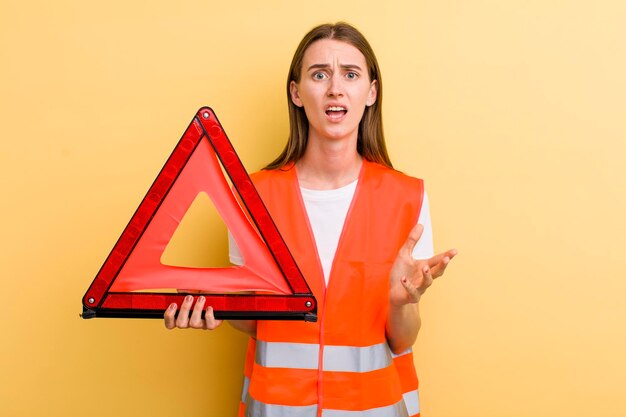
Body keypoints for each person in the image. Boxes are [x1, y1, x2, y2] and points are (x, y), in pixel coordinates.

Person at [164, 22, 457, 417]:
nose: (335, 88)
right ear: (296, 93)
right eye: (319, 74)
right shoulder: (253, 197)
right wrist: (212, 310)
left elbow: (402, 338)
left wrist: (400, 301)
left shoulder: (407, 197)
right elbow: (258, 322)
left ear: (371, 92)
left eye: (350, 74)